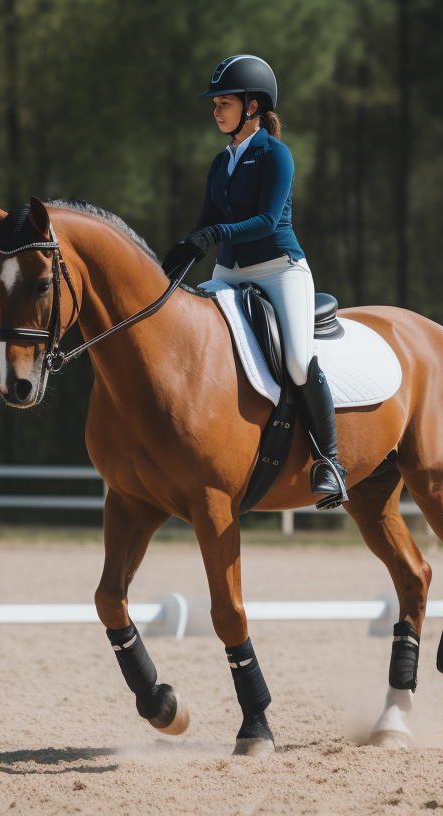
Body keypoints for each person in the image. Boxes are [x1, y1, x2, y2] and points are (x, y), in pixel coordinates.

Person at [161, 54, 347, 510]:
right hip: (228, 272)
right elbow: (205, 222)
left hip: (279, 268)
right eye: (215, 104)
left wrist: (215, 234)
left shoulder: (275, 154)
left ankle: (330, 462)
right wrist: (179, 255)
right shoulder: (220, 163)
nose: (216, 111)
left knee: (300, 361)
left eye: (224, 102)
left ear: (253, 106)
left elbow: (266, 221)